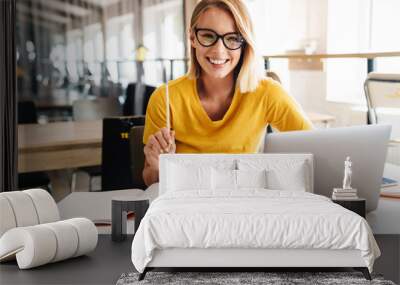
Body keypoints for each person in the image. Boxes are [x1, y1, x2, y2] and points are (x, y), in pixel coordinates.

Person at [142, 0, 313, 186]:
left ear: (244, 43)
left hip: (245, 203)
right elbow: (150, 179)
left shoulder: (267, 93)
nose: (218, 50)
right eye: (208, 36)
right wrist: (158, 167)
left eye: (232, 38)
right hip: (186, 205)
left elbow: (314, 149)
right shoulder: (165, 98)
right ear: (192, 37)